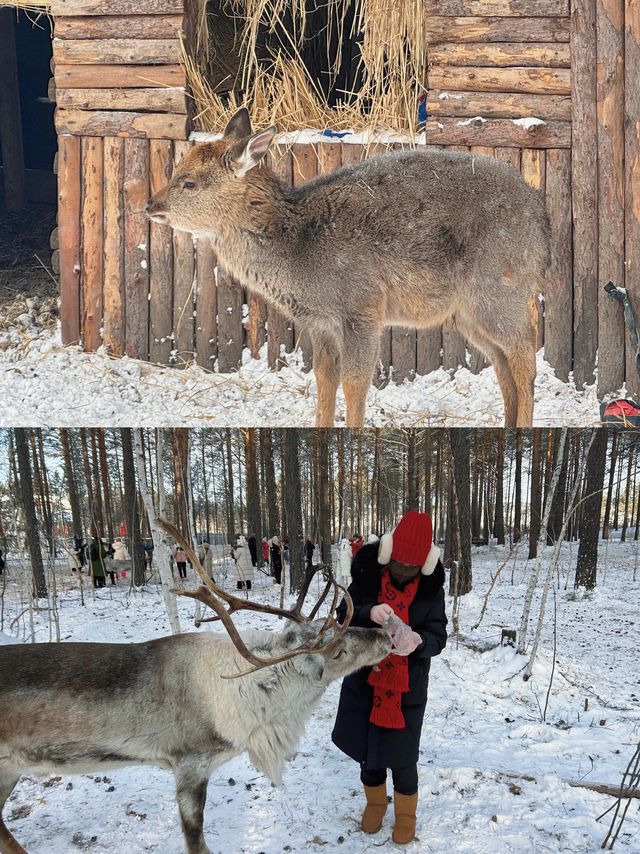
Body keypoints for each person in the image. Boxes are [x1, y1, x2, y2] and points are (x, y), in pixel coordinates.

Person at [332, 510, 447, 845]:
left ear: (424, 564)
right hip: (364, 681)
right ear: (387, 552)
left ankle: (406, 813)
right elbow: (343, 616)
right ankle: (376, 803)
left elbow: (438, 636)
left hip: (406, 688)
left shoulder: (431, 589)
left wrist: (419, 642)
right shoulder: (367, 575)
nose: (401, 573)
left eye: (410, 568)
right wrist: (368, 611)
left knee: (403, 756)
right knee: (369, 751)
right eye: (396, 564)